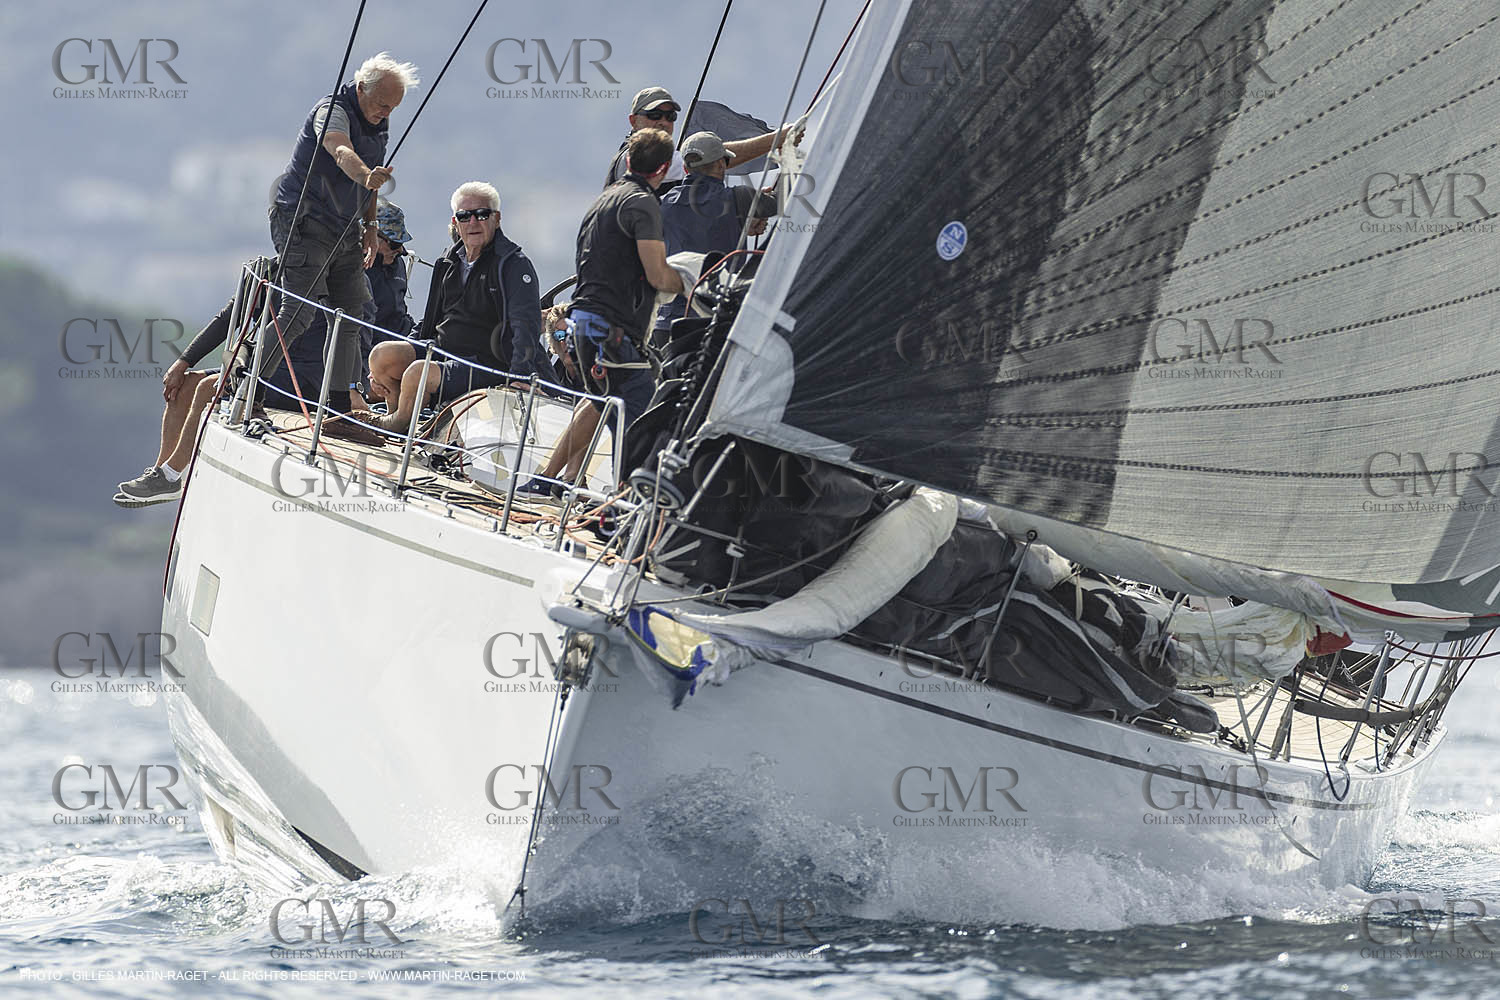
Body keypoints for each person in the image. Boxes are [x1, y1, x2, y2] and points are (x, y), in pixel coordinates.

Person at [254, 52, 418, 415]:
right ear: (361, 89)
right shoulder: (332, 111)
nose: (386, 113)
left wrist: (371, 227)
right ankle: (249, 389)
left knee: (352, 311)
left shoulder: (378, 121)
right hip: (304, 220)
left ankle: (341, 404)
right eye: (380, 104)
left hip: (345, 227)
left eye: (393, 107)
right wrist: (364, 175)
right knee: (297, 313)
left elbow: (372, 182)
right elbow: (339, 148)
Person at [364, 182, 544, 431]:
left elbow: (526, 324)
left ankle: (396, 424)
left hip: (487, 364)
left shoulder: (513, 265)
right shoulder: (448, 261)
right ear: (455, 221)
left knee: (418, 373)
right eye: (464, 216)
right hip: (443, 352)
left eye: (482, 214)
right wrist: (408, 346)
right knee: (382, 355)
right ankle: (395, 414)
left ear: (497, 219)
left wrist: (520, 375)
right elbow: (431, 321)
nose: (473, 222)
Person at [570, 129, 684, 447]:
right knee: (648, 422)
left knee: (622, 422)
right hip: (611, 333)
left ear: (629, 160)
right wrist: (691, 280)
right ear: (663, 169)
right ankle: (632, 495)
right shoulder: (643, 203)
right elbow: (658, 275)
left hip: (583, 327)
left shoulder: (603, 199)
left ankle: (622, 489)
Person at [651, 130, 781, 357]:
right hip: (716, 321)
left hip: (667, 324)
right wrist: (788, 158)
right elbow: (785, 198)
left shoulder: (662, 205)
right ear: (721, 165)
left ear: (685, 168)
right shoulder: (739, 197)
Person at [603, 87, 794, 190]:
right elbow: (710, 158)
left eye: (670, 116)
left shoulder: (666, 166)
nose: (663, 122)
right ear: (633, 120)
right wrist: (777, 139)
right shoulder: (638, 157)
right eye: (654, 115)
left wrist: (743, 213)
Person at [517, 304, 602, 498]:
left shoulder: (597, 376)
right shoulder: (549, 376)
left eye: (571, 335)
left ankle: (563, 479)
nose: (565, 343)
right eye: (559, 337)